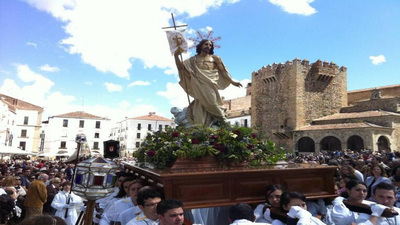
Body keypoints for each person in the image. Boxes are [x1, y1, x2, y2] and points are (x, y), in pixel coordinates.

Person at [174, 39, 242, 126]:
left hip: (210, 83)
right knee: (200, 102)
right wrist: (176, 55)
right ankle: (202, 124)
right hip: (197, 82)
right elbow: (181, 68)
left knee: (212, 102)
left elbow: (223, 71)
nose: (208, 46)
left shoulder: (215, 58)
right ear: (201, 46)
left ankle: (222, 119)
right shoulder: (192, 60)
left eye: (210, 45)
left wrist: (232, 81)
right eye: (206, 44)